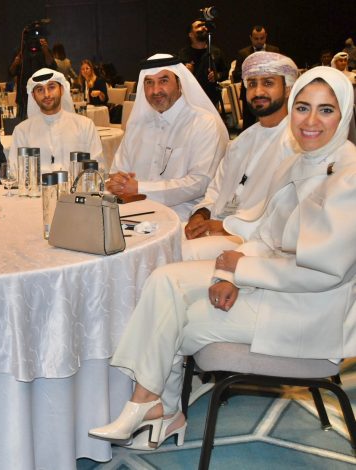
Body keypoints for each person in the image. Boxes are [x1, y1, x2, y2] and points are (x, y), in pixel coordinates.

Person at [88, 66, 356, 452]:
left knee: (175, 318)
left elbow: (321, 274)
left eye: (326, 110)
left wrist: (239, 270)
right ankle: (150, 404)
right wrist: (230, 271)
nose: (310, 121)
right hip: (279, 288)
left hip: (311, 313)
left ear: (344, 114)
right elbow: (267, 235)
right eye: (303, 108)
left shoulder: (347, 177)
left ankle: (156, 407)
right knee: (164, 280)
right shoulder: (303, 161)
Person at [183, 52, 299, 261]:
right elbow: (216, 189)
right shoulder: (241, 141)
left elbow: (286, 216)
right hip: (217, 226)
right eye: (252, 84)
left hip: (254, 242)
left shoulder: (296, 144)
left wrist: (226, 227)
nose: (258, 91)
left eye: (268, 83)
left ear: (289, 89)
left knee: (177, 253)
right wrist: (201, 214)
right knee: (160, 241)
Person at [107, 54, 228, 220]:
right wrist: (117, 182)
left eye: (163, 81)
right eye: (149, 83)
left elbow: (200, 182)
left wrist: (139, 188)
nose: (155, 90)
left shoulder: (204, 123)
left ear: (180, 83)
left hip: (183, 218)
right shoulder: (137, 125)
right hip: (132, 213)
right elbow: (118, 171)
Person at [9, 68, 103, 172]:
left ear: (62, 90)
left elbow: (98, 167)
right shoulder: (22, 131)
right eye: (40, 90)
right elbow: (14, 171)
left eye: (51, 87)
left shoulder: (85, 125)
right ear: (33, 96)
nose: (46, 94)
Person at [233, 26, 281, 131]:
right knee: (248, 125)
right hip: (249, 94)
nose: (259, 41)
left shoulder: (274, 51)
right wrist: (249, 72)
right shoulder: (243, 53)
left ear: (266, 36)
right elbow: (236, 75)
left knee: (272, 124)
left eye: (262, 38)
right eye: (256, 38)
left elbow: (280, 72)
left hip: (270, 93)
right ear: (251, 38)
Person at [178, 19, 228, 109]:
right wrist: (186, 72)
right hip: (192, 100)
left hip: (212, 99)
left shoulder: (215, 52)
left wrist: (217, 75)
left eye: (204, 25)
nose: (204, 27)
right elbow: (177, 78)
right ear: (190, 34)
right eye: (199, 26)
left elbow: (225, 73)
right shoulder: (184, 54)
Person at [9, 38, 56, 120]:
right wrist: (16, 62)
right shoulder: (20, 51)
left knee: (43, 123)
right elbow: (11, 72)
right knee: (23, 124)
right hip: (23, 97)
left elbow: (53, 67)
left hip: (42, 95)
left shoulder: (44, 50)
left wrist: (45, 50)